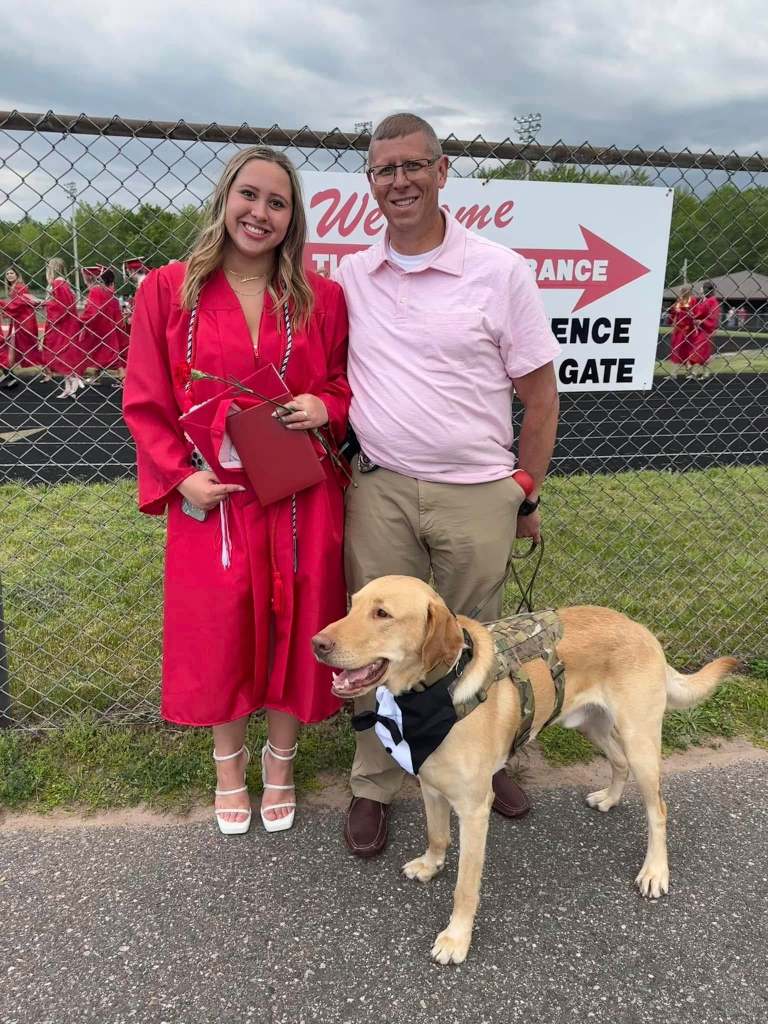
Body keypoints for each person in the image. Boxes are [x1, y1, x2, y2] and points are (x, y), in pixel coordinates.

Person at [334, 113, 560, 858]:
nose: (399, 181)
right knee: (376, 642)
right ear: (370, 183)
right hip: (384, 488)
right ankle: (374, 782)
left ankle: (481, 763)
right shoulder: (353, 277)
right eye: (383, 170)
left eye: (412, 166)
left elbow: (540, 394)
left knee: (469, 642)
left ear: (442, 170)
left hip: (475, 491)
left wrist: (524, 490)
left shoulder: (499, 271)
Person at [123, 145, 350, 836]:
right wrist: (177, 473)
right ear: (226, 199)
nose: (260, 212)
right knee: (221, 628)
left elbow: (342, 384)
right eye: (249, 195)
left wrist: (325, 407)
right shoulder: (168, 291)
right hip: (212, 496)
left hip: (297, 494)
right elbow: (145, 399)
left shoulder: (322, 297)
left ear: (292, 218)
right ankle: (228, 767)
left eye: (277, 203)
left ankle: (281, 761)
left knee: (296, 621)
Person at [79, 267, 127, 387]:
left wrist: (80, 320)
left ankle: (124, 378)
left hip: (102, 328)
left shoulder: (96, 291)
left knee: (110, 355)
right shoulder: (108, 292)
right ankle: (97, 375)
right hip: (110, 327)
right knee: (104, 352)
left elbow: (92, 310)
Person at [42, 258, 82, 398]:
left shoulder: (58, 283)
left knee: (62, 353)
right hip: (65, 324)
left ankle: (73, 382)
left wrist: (44, 303)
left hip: (62, 325)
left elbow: (62, 307)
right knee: (63, 354)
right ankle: (68, 386)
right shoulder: (63, 283)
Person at [0, 267, 40, 390]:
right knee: (12, 349)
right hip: (19, 320)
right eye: (7, 274)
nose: (9, 275)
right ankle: (9, 375)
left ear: (17, 274)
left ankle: (9, 375)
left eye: (12, 273)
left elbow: (17, 305)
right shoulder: (15, 287)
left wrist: (1, 304)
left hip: (23, 322)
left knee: (22, 348)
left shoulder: (19, 287)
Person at [689, 280, 720, 379]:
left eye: (702, 287)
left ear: (706, 289)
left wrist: (701, 322)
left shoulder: (712, 301)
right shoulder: (705, 300)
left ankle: (695, 372)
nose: (700, 289)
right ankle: (704, 373)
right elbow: (699, 311)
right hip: (702, 330)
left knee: (698, 350)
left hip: (707, 330)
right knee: (702, 351)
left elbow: (713, 317)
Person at [667, 285, 696, 375]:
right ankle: (685, 371)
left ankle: (678, 372)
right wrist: (673, 311)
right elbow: (674, 311)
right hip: (678, 328)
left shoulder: (692, 300)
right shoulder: (680, 300)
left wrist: (681, 311)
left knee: (685, 350)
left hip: (687, 329)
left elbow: (693, 313)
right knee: (677, 350)